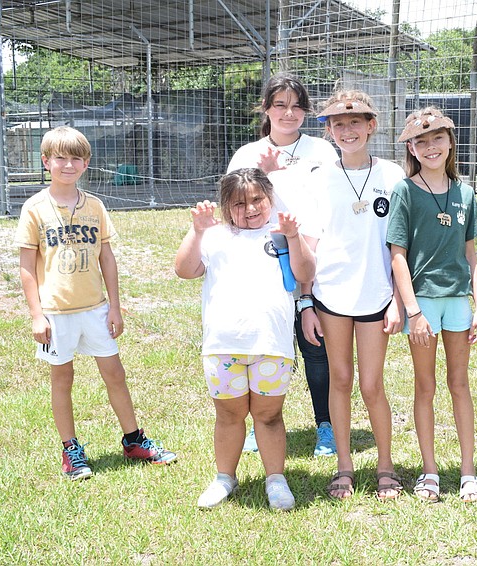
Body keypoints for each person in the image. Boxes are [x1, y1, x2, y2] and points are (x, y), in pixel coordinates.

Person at [15, 126, 177, 481]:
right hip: (57, 313)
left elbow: (107, 258)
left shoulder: (95, 206)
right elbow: (27, 267)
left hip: (95, 308)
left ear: (86, 164)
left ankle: (134, 440)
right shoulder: (34, 209)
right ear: (46, 162)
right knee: (63, 378)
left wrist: (115, 307)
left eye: (76, 158)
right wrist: (36, 314)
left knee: (115, 373)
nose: (68, 164)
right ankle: (71, 450)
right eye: (60, 157)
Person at [175, 168, 315, 510]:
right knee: (228, 415)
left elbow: (306, 273)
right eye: (239, 203)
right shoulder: (215, 236)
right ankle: (225, 476)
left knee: (268, 416)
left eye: (257, 200)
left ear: (270, 197)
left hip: (271, 345)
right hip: (224, 345)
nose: (250, 209)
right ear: (226, 206)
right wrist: (197, 231)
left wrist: (294, 237)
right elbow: (184, 269)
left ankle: (276, 479)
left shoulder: (281, 234)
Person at [300, 90, 405, 501]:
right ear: (328, 131)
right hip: (330, 296)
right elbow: (307, 245)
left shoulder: (392, 175)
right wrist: (306, 302)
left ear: (371, 126)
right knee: (339, 380)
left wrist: (397, 299)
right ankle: (344, 466)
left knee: (372, 384)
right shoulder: (319, 177)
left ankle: (385, 466)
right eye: (338, 124)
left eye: (356, 123)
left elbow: (402, 243)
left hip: (377, 295)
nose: (347, 130)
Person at [227, 72, 339, 457]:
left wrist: (310, 255)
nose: (289, 113)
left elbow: (329, 207)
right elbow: (235, 208)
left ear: (305, 112)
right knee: (265, 345)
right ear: (266, 109)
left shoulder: (323, 152)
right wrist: (266, 174)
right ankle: (262, 424)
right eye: (280, 105)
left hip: (312, 255)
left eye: (296, 106)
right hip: (263, 263)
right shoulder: (247, 155)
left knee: (315, 343)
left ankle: (325, 424)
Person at [387, 107, 477, 503]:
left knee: (459, 384)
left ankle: (468, 472)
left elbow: (471, 255)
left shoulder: (465, 193)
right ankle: (429, 472)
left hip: (457, 304)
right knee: (425, 386)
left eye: (438, 139)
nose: (431, 147)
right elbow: (398, 255)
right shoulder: (404, 191)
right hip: (423, 304)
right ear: (411, 147)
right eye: (421, 141)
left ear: (450, 142)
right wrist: (413, 311)